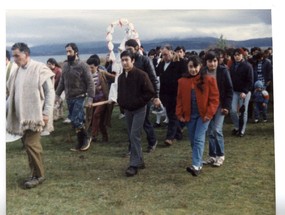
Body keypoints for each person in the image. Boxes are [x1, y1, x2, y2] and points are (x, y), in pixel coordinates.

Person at [6, 42, 55, 188]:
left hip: (35, 117)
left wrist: (46, 113)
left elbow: (50, 92)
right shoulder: (16, 72)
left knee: (31, 145)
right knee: (28, 146)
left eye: (17, 55)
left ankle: (39, 176)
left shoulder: (40, 68)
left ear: (26, 54)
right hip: (21, 118)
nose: (14, 59)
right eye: (13, 55)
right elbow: (10, 93)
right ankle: (34, 174)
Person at [176, 55, 219, 176]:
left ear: (200, 66)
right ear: (187, 67)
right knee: (193, 140)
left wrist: (209, 114)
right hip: (189, 115)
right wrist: (179, 114)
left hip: (204, 115)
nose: (193, 69)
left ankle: (195, 165)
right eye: (190, 67)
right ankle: (198, 163)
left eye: (195, 66)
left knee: (199, 138)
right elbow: (179, 99)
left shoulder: (209, 80)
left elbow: (214, 99)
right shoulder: (182, 81)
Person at [117, 50, 155, 177]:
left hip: (140, 109)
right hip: (128, 110)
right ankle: (140, 161)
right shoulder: (121, 77)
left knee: (134, 135)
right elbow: (120, 94)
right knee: (132, 135)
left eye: (127, 60)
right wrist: (122, 104)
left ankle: (133, 165)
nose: (124, 63)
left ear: (133, 60)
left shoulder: (141, 75)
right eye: (122, 60)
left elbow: (149, 92)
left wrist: (137, 102)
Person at [55, 42, 95, 151]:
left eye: (70, 51)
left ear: (76, 52)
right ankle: (80, 143)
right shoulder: (65, 66)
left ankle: (86, 138)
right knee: (74, 121)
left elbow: (90, 83)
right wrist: (57, 95)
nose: (68, 53)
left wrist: (90, 98)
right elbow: (62, 82)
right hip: (69, 98)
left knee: (77, 120)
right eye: (66, 51)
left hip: (80, 96)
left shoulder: (83, 66)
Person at [125, 39, 161, 153]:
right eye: (126, 50)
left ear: (137, 48)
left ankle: (152, 141)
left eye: (129, 49)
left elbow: (153, 79)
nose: (128, 52)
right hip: (131, 96)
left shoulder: (145, 60)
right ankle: (132, 147)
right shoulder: (127, 62)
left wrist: (156, 96)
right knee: (131, 123)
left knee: (144, 121)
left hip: (145, 96)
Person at [202, 51, 233, 167]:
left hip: (220, 105)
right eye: (210, 61)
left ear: (218, 61)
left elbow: (229, 89)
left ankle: (221, 155)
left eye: (215, 61)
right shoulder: (203, 72)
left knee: (217, 130)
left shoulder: (223, 71)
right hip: (207, 106)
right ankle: (212, 155)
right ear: (206, 62)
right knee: (210, 131)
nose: (212, 64)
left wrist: (227, 106)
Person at [156, 44, 186, 146]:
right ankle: (178, 133)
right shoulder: (161, 64)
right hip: (165, 93)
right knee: (170, 114)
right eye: (163, 55)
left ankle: (170, 137)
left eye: (166, 54)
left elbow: (184, 76)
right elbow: (157, 75)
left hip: (176, 93)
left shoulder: (179, 63)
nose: (165, 57)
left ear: (171, 52)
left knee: (173, 115)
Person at [86, 54, 114, 142]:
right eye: (88, 67)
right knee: (99, 120)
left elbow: (114, 78)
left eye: (92, 67)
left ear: (97, 66)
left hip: (103, 99)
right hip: (93, 100)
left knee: (96, 115)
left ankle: (93, 135)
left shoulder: (102, 73)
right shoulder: (87, 76)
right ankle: (105, 137)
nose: (90, 70)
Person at [229, 48, 253, 137]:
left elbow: (250, 81)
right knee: (233, 111)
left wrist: (245, 91)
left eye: (238, 55)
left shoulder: (247, 66)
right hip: (234, 91)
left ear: (242, 55)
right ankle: (237, 127)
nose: (237, 57)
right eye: (235, 55)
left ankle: (241, 130)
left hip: (244, 92)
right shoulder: (232, 66)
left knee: (243, 111)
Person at [46, 58, 64, 122]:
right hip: (54, 89)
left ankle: (56, 117)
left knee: (56, 103)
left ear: (53, 64)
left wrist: (51, 88)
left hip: (58, 89)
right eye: (47, 64)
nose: (48, 65)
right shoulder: (50, 70)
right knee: (59, 103)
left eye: (49, 64)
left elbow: (58, 81)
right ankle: (60, 115)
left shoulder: (58, 71)